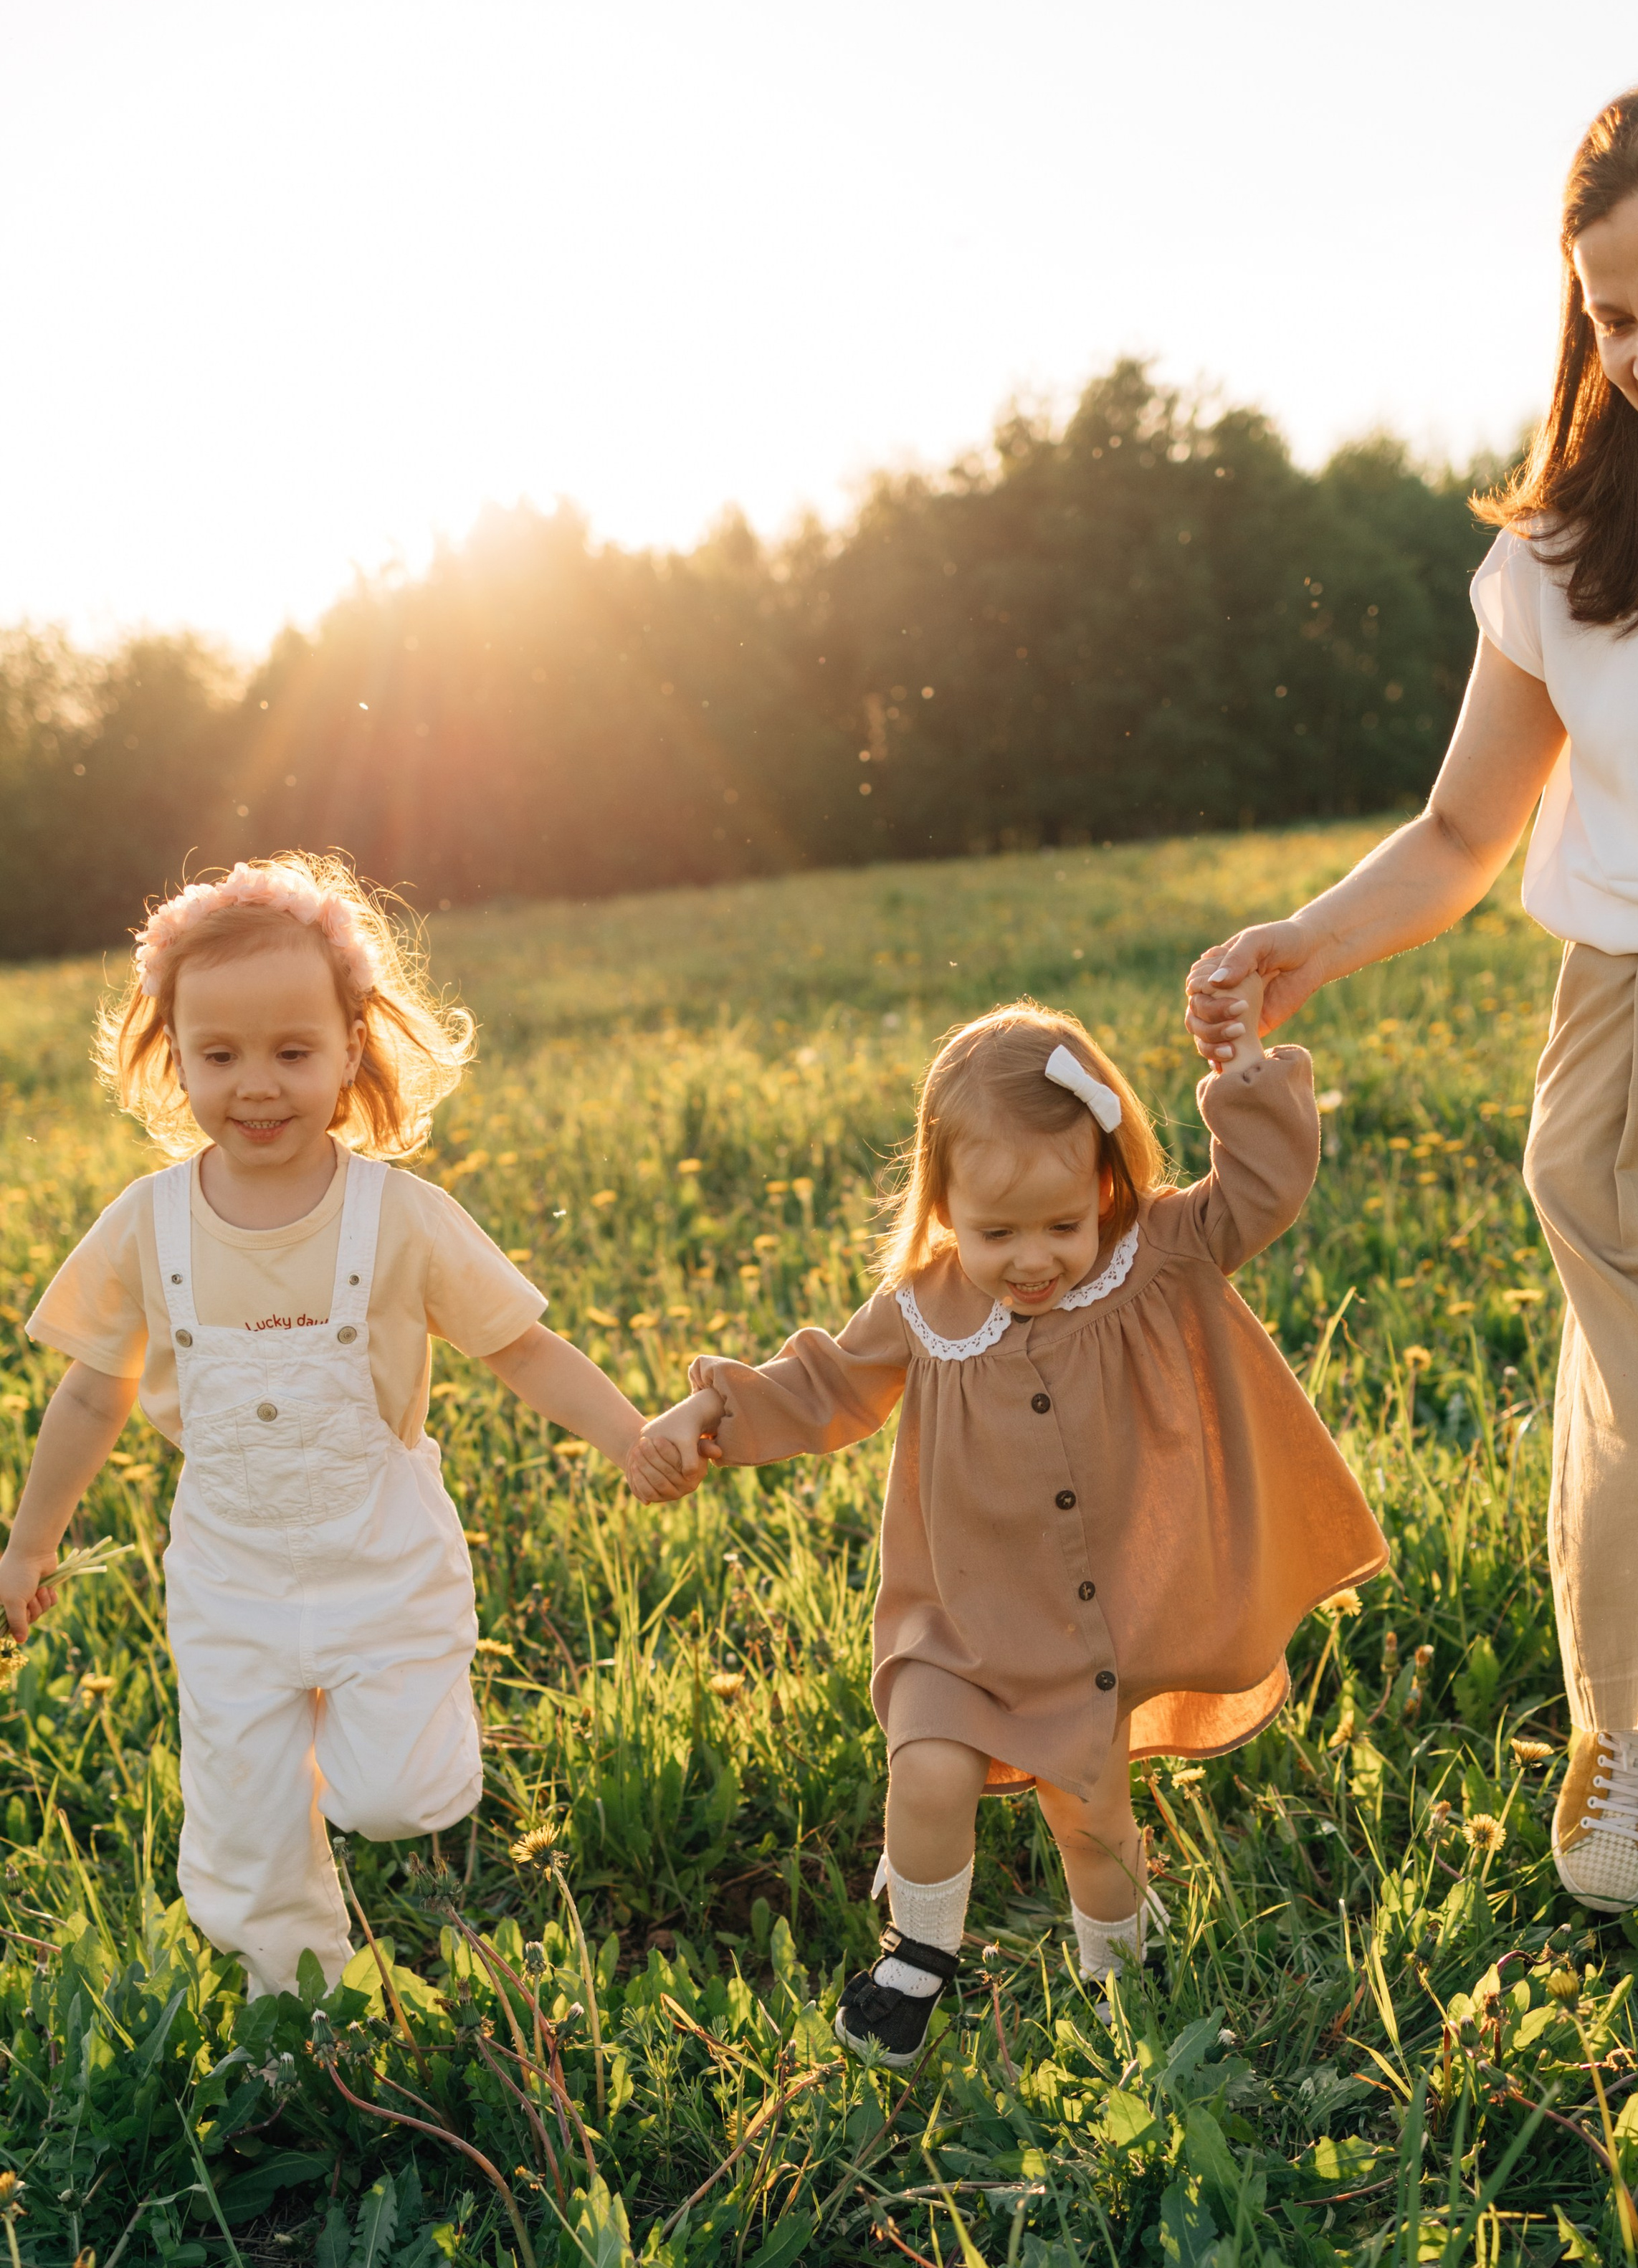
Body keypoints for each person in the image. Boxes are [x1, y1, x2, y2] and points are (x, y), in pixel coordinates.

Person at [1187, 64, 1638, 2051]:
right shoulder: (1570, 557)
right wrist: (1310, 934)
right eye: (1610, 319)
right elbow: (1468, 834)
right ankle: (1629, 1722)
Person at [632, 997, 1384, 2067]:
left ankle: (1125, 1968)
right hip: (957, 1618)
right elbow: (822, 1387)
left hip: (1091, 1633)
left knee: (1092, 1818)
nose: (1033, 1260)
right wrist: (706, 1413)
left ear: (1107, 1186)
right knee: (928, 1770)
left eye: (1061, 1225)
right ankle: (917, 1958)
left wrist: (1244, 1075)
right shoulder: (926, 1307)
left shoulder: (1156, 1251)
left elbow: (1259, 1194)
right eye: (995, 1233)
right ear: (943, 1205)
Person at [0, 854, 661, 2001]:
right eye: (220, 1055)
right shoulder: (147, 1223)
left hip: (380, 1564)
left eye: (292, 1052)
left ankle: (401, 1745)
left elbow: (519, 1345)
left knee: (393, 1797)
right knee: (245, 1821)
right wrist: (28, 1542)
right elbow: (94, 1393)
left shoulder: (399, 1217)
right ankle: (296, 2009)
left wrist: (630, 1435)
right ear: (175, 1053)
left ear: (352, 1049)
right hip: (231, 1579)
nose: (256, 1086)